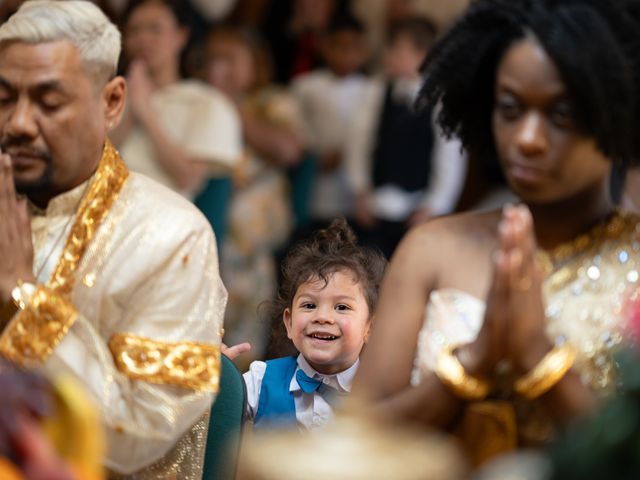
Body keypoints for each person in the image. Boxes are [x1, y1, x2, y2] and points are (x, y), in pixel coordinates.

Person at [353, 0, 640, 467]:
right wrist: (472, 365)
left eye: (561, 114)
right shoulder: (432, 248)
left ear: (619, 115)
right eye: (510, 108)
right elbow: (356, 435)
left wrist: (538, 361)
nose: (526, 137)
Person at [0, 1, 226, 477]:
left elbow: (138, 429)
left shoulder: (171, 236)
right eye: (3, 98)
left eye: (48, 101)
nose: (18, 123)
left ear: (112, 102)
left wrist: (24, 300)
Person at [206, 25, 305, 360]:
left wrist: (232, 105)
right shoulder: (197, 104)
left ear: (254, 63)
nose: (220, 67)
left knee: (245, 347)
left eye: (230, 59)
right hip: (206, 242)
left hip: (251, 251)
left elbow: (288, 150)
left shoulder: (273, 102)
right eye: (213, 59)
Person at [243, 219, 386, 429]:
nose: (323, 317)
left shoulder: (379, 394)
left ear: (370, 327)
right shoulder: (260, 379)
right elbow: (211, 417)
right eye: (309, 305)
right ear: (289, 323)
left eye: (342, 307)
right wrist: (219, 379)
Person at [347, 17, 466, 258]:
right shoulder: (378, 91)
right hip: (375, 206)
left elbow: (449, 160)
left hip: (416, 210)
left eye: (398, 49)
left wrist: (432, 207)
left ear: (423, 54)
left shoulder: (441, 101)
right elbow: (358, 143)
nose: (389, 55)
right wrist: (359, 190)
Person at [111, 0, 242, 199]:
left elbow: (187, 178)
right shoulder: (111, 96)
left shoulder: (206, 103)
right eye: (134, 30)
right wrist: (131, 104)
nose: (143, 39)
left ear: (181, 36)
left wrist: (145, 111)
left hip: (161, 216)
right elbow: (92, 164)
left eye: (155, 29)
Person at [291, 12, 373, 227]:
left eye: (353, 48)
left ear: (364, 52)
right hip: (315, 178)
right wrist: (315, 156)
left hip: (355, 192)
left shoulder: (372, 89)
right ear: (325, 47)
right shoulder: (306, 86)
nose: (346, 55)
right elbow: (296, 126)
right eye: (339, 46)